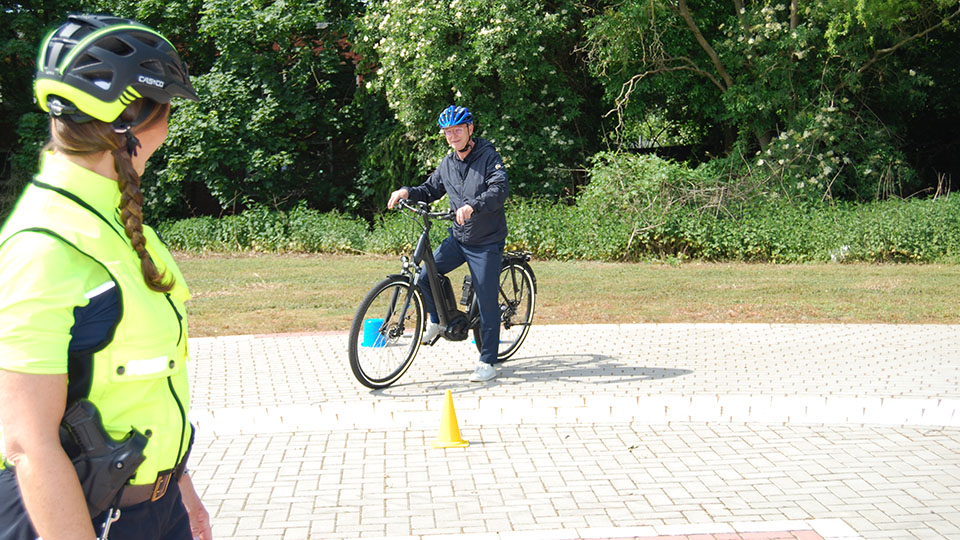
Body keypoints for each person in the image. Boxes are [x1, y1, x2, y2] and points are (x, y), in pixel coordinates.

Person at [0, 14, 212, 540]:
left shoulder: (114, 222)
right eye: (166, 111)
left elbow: (147, 388)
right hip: (77, 515)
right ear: (132, 120)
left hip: (151, 508)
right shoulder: (44, 246)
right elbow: (27, 443)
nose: (169, 125)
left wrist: (179, 495)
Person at [387, 105, 509, 382]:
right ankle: (438, 319)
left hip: (486, 241)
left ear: (470, 130)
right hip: (459, 237)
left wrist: (472, 207)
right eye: (447, 132)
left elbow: (499, 190)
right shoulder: (448, 163)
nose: (452, 136)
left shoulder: (489, 158)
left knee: (486, 298)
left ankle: (488, 360)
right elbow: (430, 189)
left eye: (457, 130)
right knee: (423, 276)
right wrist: (407, 190)